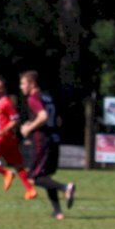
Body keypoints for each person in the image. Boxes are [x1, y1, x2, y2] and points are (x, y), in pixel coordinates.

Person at [19, 70, 76, 220]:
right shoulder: (48, 97)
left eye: (23, 83)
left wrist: (29, 129)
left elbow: (43, 116)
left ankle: (65, 188)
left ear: (32, 84)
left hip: (42, 142)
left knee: (33, 177)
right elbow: (56, 120)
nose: (21, 87)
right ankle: (58, 212)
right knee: (46, 177)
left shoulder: (33, 98)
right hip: (53, 139)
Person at [0, 77, 35, 198]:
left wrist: (3, 130)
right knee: (18, 165)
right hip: (10, 140)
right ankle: (30, 190)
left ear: (4, 89)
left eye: (0, 87)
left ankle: (6, 173)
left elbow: (15, 120)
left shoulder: (6, 102)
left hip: (3, 138)